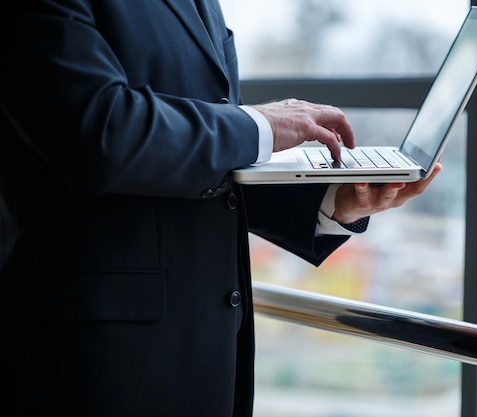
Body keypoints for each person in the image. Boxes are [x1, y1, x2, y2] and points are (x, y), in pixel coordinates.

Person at [0, 1, 442, 416]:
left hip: (209, 348)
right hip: (99, 361)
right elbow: (100, 129)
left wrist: (332, 202)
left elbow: (200, 159)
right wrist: (261, 123)